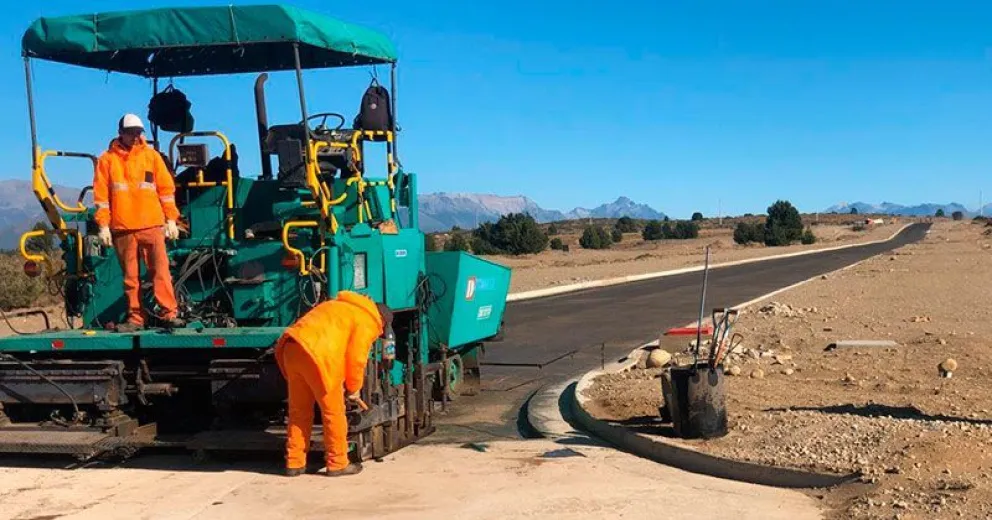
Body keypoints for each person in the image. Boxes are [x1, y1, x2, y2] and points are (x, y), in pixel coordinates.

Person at [274, 290, 393, 477]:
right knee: (333, 413)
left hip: (292, 348)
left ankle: (294, 462)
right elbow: (357, 359)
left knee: (299, 412)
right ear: (383, 321)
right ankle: (337, 463)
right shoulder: (367, 320)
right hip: (319, 358)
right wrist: (354, 389)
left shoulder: (337, 305)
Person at [93, 114, 183, 332]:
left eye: (138, 132)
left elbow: (166, 190)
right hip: (123, 228)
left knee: (160, 272)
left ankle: (169, 313)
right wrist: (103, 225)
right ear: (120, 133)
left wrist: (172, 219)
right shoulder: (107, 160)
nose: (135, 136)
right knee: (131, 278)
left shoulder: (151, 157)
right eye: (131, 132)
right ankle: (136, 319)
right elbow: (101, 197)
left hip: (152, 225)